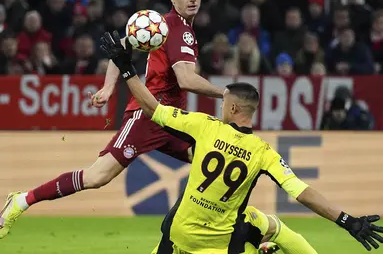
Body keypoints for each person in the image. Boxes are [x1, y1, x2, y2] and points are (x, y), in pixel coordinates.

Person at [100, 31, 383, 253]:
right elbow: (301, 192)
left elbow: (151, 109)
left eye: (224, 103)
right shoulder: (263, 152)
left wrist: (127, 69)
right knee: (271, 225)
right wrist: (346, 220)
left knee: (185, 220)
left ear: (234, 109)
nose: (221, 108)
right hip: (218, 246)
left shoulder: (203, 126)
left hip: (179, 233)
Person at [0, 0, 224, 239]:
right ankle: (22, 200)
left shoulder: (165, 26)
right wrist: (226, 93)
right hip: (149, 115)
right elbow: (185, 78)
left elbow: (121, 45)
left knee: (212, 161)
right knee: (97, 177)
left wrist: (108, 87)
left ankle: (199, 230)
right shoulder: (172, 28)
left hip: (170, 118)